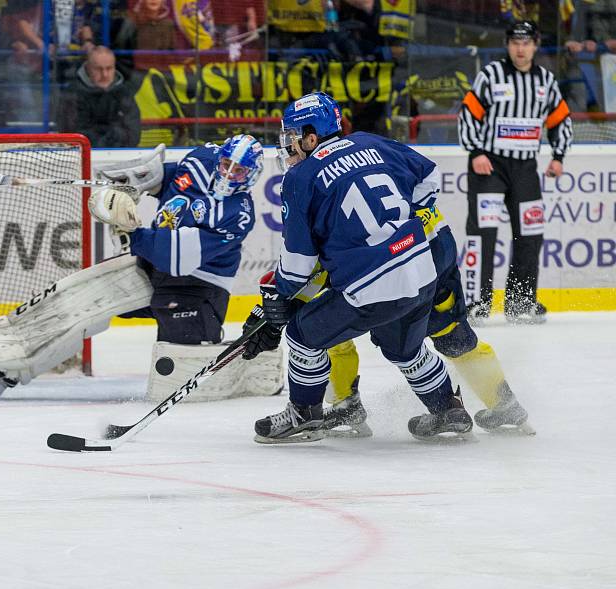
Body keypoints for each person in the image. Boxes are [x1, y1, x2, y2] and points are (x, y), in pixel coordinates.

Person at [240, 92, 473, 444]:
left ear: (312, 136)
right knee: (404, 349)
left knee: (302, 336)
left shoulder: (301, 177)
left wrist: (276, 300)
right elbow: (429, 176)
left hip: (371, 286)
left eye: (292, 136)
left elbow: (299, 265)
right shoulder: (370, 143)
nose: (289, 145)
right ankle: (448, 408)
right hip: (421, 270)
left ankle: (305, 414)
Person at [0, 134, 276, 402]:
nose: (228, 174)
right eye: (226, 165)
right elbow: (166, 178)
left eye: (239, 171)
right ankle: (10, 368)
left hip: (197, 288)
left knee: (178, 375)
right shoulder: (201, 160)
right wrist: (131, 185)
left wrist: (131, 233)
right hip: (149, 266)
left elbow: (178, 256)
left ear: (252, 175)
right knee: (81, 302)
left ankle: (258, 367)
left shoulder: (238, 214)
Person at [458, 20, 573, 325]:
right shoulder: (491, 76)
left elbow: (561, 119)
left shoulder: (545, 81)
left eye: (526, 43)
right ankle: (476, 302)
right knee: (483, 234)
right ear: (508, 45)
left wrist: (558, 155)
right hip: (489, 168)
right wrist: (476, 151)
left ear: (535, 44)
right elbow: (468, 114)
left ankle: (520, 302)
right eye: (514, 42)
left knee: (530, 234)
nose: (520, 49)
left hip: (525, 169)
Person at [57, 45, 141, 148]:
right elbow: (72, 134)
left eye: (109, 68)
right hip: (82, 157)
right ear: (88, 68)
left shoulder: (125, 93)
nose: (105, 74)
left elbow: (133, 133)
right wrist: (113, 134)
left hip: (120, 156)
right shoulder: (72, 94)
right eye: (98, 69)